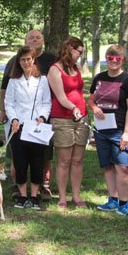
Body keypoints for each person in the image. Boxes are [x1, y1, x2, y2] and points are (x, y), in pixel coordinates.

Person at [0, 29, 56, 197]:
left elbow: (47, 102)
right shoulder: (13, 80)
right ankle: (22, 194)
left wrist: (42, 117)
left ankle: (36, 193)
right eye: (23, 60)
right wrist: (13, 118)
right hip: (19, 125)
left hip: (38, 125)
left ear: (33, 61)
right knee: (20, 161)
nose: (26, 62)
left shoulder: (43, 78)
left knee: (39, 161)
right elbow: (9, 102)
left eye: (28, 59)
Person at [88, 44, 128, 218]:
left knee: (123, 166)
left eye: (117, 58)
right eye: (110, 58)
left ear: (123, 60)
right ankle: (112, 199)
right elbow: (91, 99)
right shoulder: (99, 78)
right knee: (108, 165)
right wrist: (94, 107)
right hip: (102, 128)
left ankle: (124, 204)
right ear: (106, 59)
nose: (113, 61)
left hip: (120, 128)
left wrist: (126, 133)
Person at [47, 36, 89, 208]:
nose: (80, 55)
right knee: (64, 160)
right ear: (69, 49)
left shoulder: (76, 68)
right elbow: (61, 97)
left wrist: (82, 108)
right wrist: (73, 108)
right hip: (63, 118)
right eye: (79, 51)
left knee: (78, 159)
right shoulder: (54, 70)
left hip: (82, 117)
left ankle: (77, 196)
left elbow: (79, 90)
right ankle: (62, 197)